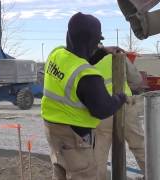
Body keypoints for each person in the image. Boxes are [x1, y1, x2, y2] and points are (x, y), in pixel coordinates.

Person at [41, 12, 127, 180]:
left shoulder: (56, 54)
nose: (98, 45)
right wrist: (120, 98)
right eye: (97, 42)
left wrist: (102, 51)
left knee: (61, 172)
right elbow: (102, 109)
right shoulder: (87, 76)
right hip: (74, 139)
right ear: (90, 41)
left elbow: (78, 57)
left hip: (53, 131)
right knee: (84, 175)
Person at [94, 54, 145, 179]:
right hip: (125, 105)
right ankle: (155, 174)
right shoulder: (116, 54)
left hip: (102, 108)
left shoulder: (84, 57)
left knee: (99, 153)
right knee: (139, 145)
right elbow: (136, 80)